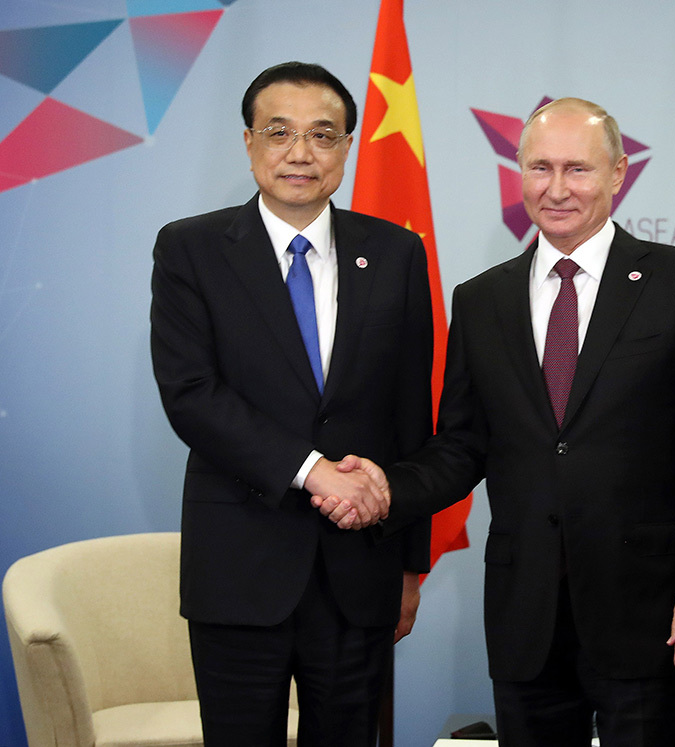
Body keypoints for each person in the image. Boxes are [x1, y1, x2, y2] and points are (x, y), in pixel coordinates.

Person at [315, 98, 675, 746]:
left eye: (578, 169)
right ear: (518, 173)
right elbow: (463, 446)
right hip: (525, 614)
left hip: (648, 610)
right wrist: (387, 488)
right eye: (540, 167)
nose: (556, 188)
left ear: (618, 173)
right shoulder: (481, 298)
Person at [149, 61, 433, 746]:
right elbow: (191, 395)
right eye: (279, 132)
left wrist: (410, 565)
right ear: (249, 143)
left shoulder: (395, 253)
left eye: (322, 134)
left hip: (359, 570)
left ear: (347, 148)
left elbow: (410, 416)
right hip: (240, 567)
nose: (300, 152)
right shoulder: (191, 248)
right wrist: (313, 471)